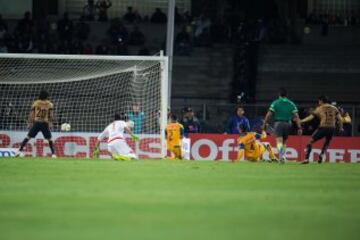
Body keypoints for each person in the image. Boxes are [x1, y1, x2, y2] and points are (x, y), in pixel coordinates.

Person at [262, 88, 302, 163]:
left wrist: (264, 124)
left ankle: (282, 157)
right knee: (284, 142)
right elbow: (296, 116)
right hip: (288, 124)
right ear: (287, 95)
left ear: (279, 95)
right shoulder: (291, 103)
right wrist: (299, 127)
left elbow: (269, 115)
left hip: (278, 123)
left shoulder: (275, 102)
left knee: (279, 142)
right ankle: (283, 156)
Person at [301, 96, 343, 164]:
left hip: (323, 127)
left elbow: (311, 117)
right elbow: (340, 119)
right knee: (327, 142)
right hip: (332, 128)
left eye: (319, 101)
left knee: (310, 141)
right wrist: (341, 127)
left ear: (321, 101)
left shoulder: (320, 108)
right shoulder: (334, 108)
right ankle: (322, 154)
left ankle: (306, 159)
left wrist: (302, 121)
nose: (318, 102)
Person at [16, 90, 56, 157]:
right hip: (44, 123)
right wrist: (50, 123)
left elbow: (32, 114)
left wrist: (30, 123)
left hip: (37, 123)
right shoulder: (50, 104)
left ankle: (19, 151)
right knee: (49, 139)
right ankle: (53, 154)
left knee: (28, 137)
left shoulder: (36, 103)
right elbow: (51, 115)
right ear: (47, 96)